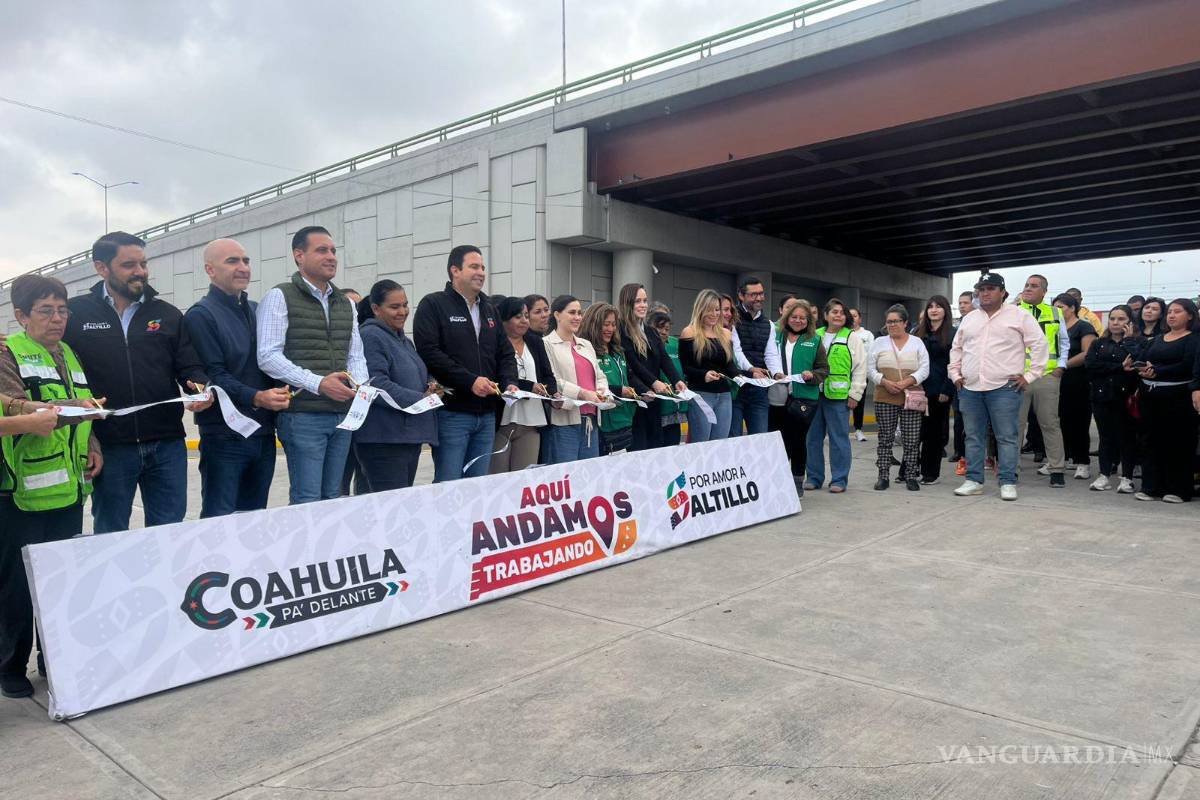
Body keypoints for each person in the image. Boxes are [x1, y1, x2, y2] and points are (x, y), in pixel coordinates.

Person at [64, 231, 212, 533]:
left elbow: (189, 366)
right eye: (129, 265)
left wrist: (198, 388)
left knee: (169, 532)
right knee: (110, 533)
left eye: (143, 264)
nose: (140, 272)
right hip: (110, 445)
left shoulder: (167, 314)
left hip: (167, 444)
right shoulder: (75, 314)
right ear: (101, 268)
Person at [0, 275, 103, 698]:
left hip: (68, 486)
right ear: (21, 316)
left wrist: (93, 443)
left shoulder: (69, 354)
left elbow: (84, 400)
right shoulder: (8, 353)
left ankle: (54, 657)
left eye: (62, 310)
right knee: (16, 584)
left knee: (59, 580)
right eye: (46, 310)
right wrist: (54, 408)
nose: (57, 318)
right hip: (21, 493)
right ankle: (10, 666)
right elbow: (10, 401)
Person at [257, 226, 366, 503]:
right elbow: (268, 356)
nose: (331, 256)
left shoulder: (346, 304)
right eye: (321, 250)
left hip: (342, 416)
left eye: (333, 251)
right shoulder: (280, 296)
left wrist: (359, 389)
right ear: (299, 255)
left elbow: (355, 355)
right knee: (307, 500)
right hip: (303, 415)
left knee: (332, 497)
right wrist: (318, 383)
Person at [184, 239, 290, 518]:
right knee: (220, 520)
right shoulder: (200, 316)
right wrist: (256, 397)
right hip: (224, 436)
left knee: (254, 519)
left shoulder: (258, 310)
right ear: (210, 270)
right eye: (232, 261)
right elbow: (215, 375)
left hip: (264, 433)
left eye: (246, 260)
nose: (243, 267)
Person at [413, 245, 518, 481]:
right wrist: (470, 381)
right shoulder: (433, 305)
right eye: (474, 266)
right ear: (455, 270)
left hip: (487, 414)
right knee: (449, 484)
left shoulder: (489, 308)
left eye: (482, 267)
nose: (481, 272)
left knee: (477, 486)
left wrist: (509, 382)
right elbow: (430, 353)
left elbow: (505, 353)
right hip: (452, 413)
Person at [949, 273, 1048, 500]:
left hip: (1004, 387)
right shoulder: (970, 319)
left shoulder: (1019, 316)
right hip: (971, 388)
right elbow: (957, 349)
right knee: (973, 436)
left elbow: (1040, 345)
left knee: (1006, 436)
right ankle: (974, 480)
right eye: (981, 289)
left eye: (991, 288)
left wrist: (1030, 376)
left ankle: (1008, 481)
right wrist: (955, 374)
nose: (985, 293)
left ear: (1003, 292)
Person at [352, 281, 437, 491]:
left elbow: (420, 374)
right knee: (388, 510)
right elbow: (376, 384)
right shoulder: (370, 336)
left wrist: (432, 384)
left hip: (407, 437)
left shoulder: (404, 341)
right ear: (375, 309)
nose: (403, 312)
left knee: (398, 506)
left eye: (405, 305)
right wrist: (420, 399)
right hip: (383, 440)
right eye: (394, 307)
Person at [1133, 298, 1199, 503]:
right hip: (1150, 397)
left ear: (1190, 315)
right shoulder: (1158, 339)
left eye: (1177, 311)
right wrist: (1141, 367)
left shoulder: (1194, 340)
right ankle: (1152, 486)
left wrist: (1158, 371)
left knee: (1178, 442)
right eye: (1170, 311)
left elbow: (1187, 365)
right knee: (1151, 441)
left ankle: (1179, 489)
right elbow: (1143, 357)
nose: (1171, 315)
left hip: (1178, 398)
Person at [804, 298, 867, 493]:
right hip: (814, 394)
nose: (838, 315)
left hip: (839, 397)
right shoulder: (815, 335)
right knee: (812, 438)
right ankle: (814, 477)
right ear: (825, 315)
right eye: (834, 312)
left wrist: (855, 393)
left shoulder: (852, 337)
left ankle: (839, 479)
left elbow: (860, 368)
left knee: (839, 439)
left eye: (841, 312)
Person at [768, 299, 828, 494]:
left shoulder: (815, 339)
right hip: (777, 396)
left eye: (803, 318)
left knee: (798, 440)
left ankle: (796, 481)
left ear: (809, 320)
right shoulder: (775, 335)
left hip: (804, 398)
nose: (798, 320)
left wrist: (813, 376)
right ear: (787, 317)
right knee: (779, 440)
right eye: (794, 317)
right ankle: (777, 480)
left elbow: (823, 369)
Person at [1016, 274, 1071, 488]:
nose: (1028, 288)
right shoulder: (1013, 311)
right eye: (1026, 285)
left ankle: (1056, 469)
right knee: (1015, 426)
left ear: (1044, 292)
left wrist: (1061, 366)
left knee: (1050, 423)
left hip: (1047, 376)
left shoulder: (1056, 312)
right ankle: (1012, 469)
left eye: (1034, 286)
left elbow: (1063, 342)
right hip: (1018, 377)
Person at [868, 304, 930, 491]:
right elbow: (870, 369)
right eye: (889, 322)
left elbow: (925, 368)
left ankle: (911, 475)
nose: (892, 325)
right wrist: (884, 381)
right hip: (884, 395)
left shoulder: (917, 342)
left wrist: (907, 382)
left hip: (911, 396)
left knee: (911, 439)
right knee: (885, 438)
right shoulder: (879, 342)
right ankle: (883, 476)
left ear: (905, 323)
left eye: (896, 321)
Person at [616, 283, 685, 450]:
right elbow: (632, 364)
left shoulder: (651, 331)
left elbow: (664, 359)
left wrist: (677, 380)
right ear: (628, 303)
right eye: (638, 301)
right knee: (639, 447)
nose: (643, 305)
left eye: (645, 300)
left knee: (656, 446)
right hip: (636, 399)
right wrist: (653, 382)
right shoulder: (621, 330)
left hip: (655, 400)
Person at [490, 297, 555, 472]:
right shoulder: (494, 343)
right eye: (518, 316)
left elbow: (548, 376)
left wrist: (552, 393)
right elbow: (496, 376)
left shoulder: (535, 342)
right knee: (498, 478)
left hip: (531, 421)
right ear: (504, 319)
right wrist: (529, 386)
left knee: (524, 479)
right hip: (502, 420)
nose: (524, 321)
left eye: (526, 315)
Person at [542, 295, 608, 463]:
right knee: (565, 478)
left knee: (589, 477)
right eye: (572, 312)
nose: (578, 317)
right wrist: (583, 394)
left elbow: (599, 376)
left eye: (580, 313)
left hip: (591, 420)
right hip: (564, 421)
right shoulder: (546, 344)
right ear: (557, 315)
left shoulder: (586, 345)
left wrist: (602, 391)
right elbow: (553, 380)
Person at [1085, 304, 1140, 493]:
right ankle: (1104, 475)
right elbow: (1091, 366)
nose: (1116, 323)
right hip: (1101, 396)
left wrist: (1129, 341)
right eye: (1113, 318)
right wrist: (1117, 367)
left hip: (1125, 397)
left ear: (1130, 322)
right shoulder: (1099, 343)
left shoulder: (1136, 342)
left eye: (1121, 319)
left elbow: (1137, 363)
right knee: (1106, 437)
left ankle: (1127, 478)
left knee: (1126, 438)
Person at [679, 289, 738, 442]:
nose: (714, 314)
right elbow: (685, 367)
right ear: (700, 309)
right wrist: (703, 375)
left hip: (724, 395)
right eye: (709, 310)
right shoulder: (689, 332)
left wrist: (742, 376)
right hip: (701, 395)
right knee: (701, 445)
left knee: (720, 445)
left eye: (717, 309)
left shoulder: (726, 334)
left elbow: (729, 365)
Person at [729, 277, 784, 437]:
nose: (759, 298)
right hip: (736, 388)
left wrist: (777, 373)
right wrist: (752, 370)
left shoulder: (769, 324)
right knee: (734, 439)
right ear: (741, 296)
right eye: (753, 294)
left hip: (759, 390)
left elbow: (771, 353)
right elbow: (736, 352)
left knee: (760, 439)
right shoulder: (732, 319)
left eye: (761, 293)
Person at [1052, 293, 1097, 480]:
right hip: (1055, 379)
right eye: (1054, 307)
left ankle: (1082, 462)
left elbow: (1088, 353)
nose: (1057, 311)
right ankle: (1063, 459)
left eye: (1061, 307)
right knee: (1059, 422)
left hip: (1077, 380)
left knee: (1079, 422)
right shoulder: (1053, 327)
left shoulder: (1084, 327)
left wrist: (1063, 365)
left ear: (1072, 308)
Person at [582, 302, 637, 455]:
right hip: (603, 423)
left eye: (613, 324)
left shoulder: (618, 351)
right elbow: (588, 385)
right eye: (606, 324)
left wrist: (643, 392)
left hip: (624, 420)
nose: (611, 329)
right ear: (594, 324)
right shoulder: (587, 351)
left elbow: (629, 377)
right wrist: (619, 390)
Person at [915, 295, 955, 485]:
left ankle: (931, 473)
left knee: (934, 434)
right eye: (930, 306)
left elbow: (955, 363)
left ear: (945, 310)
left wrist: (947, 389)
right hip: (917, 389)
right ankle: (910, 469)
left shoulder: (953, 334)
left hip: (940, 390)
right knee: (915, 432)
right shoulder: (918, 332)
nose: (934, 310)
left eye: (938, 306)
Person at [648, 310, 689, 446]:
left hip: (673, 411)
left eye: (667, 329)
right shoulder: (646, 348)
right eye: (660, 328)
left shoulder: (675, 345)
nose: (664, 332)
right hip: (655, 410)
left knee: (672, 450)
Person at [339, 288, 365, 495]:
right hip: (342, 420)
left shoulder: (369, 336)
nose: (356, 311)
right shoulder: (339, 339)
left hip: (365, 423)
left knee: (364, 481)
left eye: (359, 306)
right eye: (352, 306)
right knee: (339, 483)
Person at [950, 291, 976, 464]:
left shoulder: (978, 323)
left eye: (965, 303)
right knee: (959, 418)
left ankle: (974, 456)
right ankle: (959, 451)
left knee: (973, 423)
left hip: (975, 380)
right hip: (958, 379)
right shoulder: (957, 326)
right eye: (960, 303)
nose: (962, 306)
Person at [848, 307, 874, 442]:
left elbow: (871, 354)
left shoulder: (867, 335)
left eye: (855, 316)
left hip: (861, 373)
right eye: (850, 315)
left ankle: (858, 429)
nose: (852, 318)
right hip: (844, 374)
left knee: (859, 402)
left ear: (860, 318)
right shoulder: (843, 333)